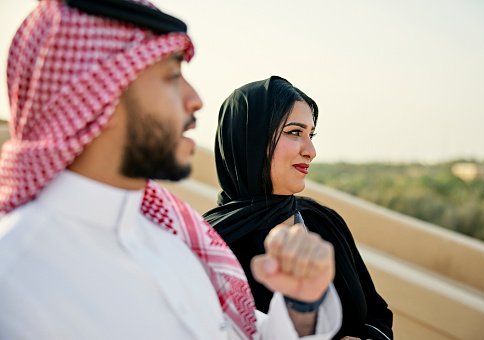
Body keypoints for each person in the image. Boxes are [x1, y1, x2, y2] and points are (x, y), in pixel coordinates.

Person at [0, 1, 343, 339]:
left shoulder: (176, 237)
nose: (195, 99)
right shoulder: (14, 279)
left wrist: (301, 306)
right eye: (171, 76)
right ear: (96, 93)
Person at [203, 76, 394, 340]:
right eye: (295, 132)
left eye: (311, 134)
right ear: (251, 139)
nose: (311, 150)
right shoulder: (210, 247)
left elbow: (377, 313)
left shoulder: (323, 221)